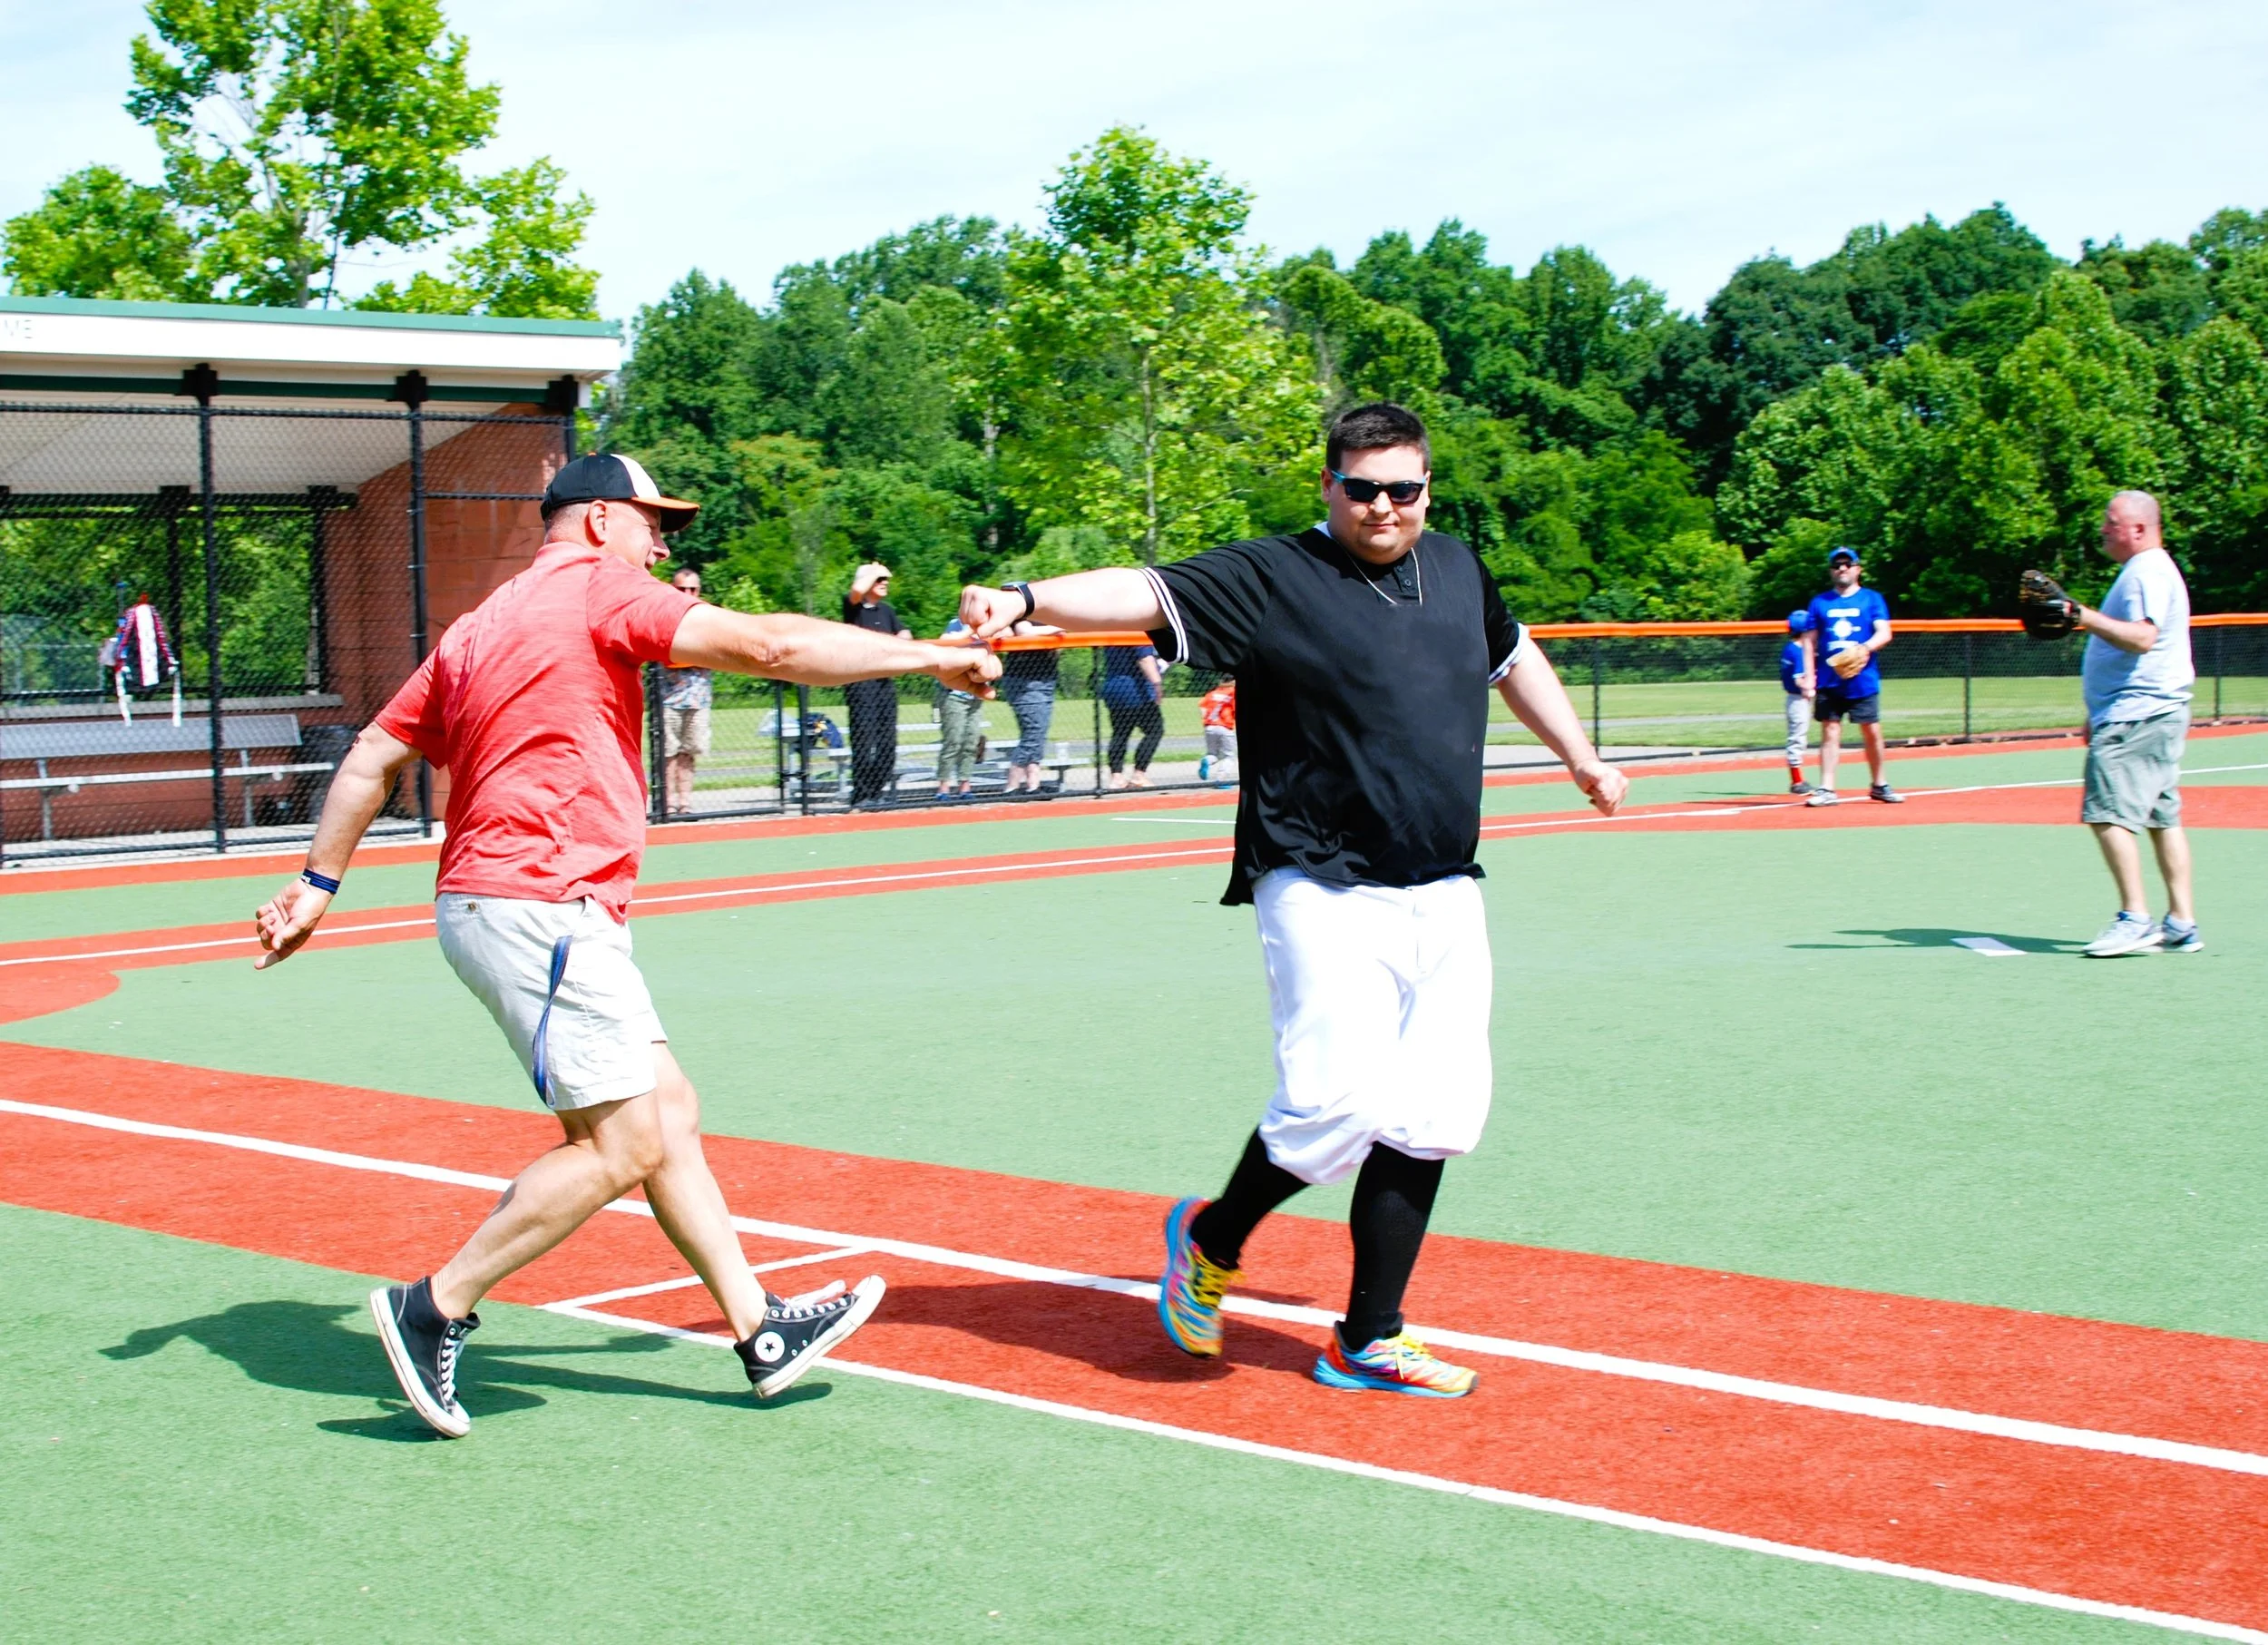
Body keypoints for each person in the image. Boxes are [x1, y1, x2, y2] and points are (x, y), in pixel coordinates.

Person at [251, 452, 998, 1437]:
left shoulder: (481, 623)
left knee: (667, 1110)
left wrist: (316, 883)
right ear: (601, 519)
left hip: (510, 905)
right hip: (540, 904)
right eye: (655, 524)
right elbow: (768, 647)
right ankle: (436, 1300)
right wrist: (932, 656)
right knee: (621, 1143)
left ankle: (758, 1329)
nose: (663, 543)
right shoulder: (605, 588)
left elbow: (373, 755)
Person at [960, 401, 1626, 1397]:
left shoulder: (1454, 568)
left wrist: (1579, 754)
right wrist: (1022, 597)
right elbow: (1141, 589)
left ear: (1427, 489)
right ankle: (1211, 1235)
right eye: (1361, 488)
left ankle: (1369, 1337)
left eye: (1403, 488)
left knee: (1433, 1115)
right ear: (1330, 486)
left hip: (1444, 883)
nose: (1382, 506)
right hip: (1318, 879)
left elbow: (1513, 654)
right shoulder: (1274, 576)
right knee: (1334, 1105)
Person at [2069, 491, 2200, 956]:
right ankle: (2182, 921)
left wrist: (2080, 616)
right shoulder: (2151, 569)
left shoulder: (2145, 571)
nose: (2103, 529)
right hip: (2151, 711)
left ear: (2138, 529)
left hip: (2137, 715)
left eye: (2111, 522)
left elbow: (2143, 637)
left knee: (2107, 814)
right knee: (2162, 818)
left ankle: (2134, 918)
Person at [1800, 547, 1901, 806]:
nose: (1842, 568)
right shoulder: (1820, 602)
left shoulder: (1871, 599)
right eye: (1836, 565)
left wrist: (1865, 648)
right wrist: (1809, 677)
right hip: (1829, 680)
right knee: (1830, 730)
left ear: (1858, 569)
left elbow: (1884, 633)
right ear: (1831, 571)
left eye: (1847, 564)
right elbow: (1810, 642)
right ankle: (1827, 788)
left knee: (1872, 731)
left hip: (1862, 679)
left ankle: (1880, 784)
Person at [842, 563, 911, 808]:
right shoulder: (854, 609)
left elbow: (905, 634)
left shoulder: (887, 611)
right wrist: (872, 571)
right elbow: (855, 591)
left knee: (887, 743)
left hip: (884, 683)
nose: (885, 583)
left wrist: (902, 637)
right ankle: (861, 795)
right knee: (864, 739)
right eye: (879, 579)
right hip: (860, 684)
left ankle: (876, 791)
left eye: (885, 579)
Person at [657, 565, 712, 815]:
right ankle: (667, 803)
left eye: (693, 589)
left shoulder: (708, 615)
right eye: (682, 588)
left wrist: (691, 654)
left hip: (698, 699)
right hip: (668, 699)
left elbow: (714, 653)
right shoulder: (664, 614)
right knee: (667, 753)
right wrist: (695, 654)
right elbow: (667, 655)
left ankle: (685, 803)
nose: (688, 593)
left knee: (690, 752)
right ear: (673, 588)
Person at [997, 622, 1061, 793]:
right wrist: (1055, 629)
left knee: (1039, 733)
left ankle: (1033, 784)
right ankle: (1012, 786)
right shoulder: (1020, 611)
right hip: (1025, 682)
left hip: (1046, 679)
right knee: (1033, 732)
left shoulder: (1049, 614)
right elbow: (1025, 633)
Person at [1100, 640, 1165, 788]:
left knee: (1120, 733)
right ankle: (1139, 774)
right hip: (1136, 691)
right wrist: (1157, 683)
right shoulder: (1137, 633)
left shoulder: (1113, 631)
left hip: (1114, 688)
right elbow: (1144, 659)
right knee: (1155, 730)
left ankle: (1116, 776)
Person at [934, 616, 985, 799]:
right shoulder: (955, 625)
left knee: (971, 741)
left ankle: (965, 784)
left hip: (975, 694)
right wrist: (969, 632)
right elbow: (944, 641)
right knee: (953, 741)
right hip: (953, 694)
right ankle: (944, 786)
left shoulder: (986, 626)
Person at [1779, 612, 1814, 796]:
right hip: (1798, 699)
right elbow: (1800, 679)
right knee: (1798, 738)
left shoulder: (1789, 647)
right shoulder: (1798, 650)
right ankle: (1797, 781)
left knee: (1799, 736)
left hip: (1794, 698)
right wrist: (1809, 690)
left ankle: (1798, 779)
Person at [1198, 676, 1237, 785]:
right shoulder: (1232, 693)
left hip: (1209, 726)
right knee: (1229, 756)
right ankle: (1220, 780)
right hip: (1225, 727)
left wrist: (1206, 721)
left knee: (1213, 753)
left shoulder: (1213, 693)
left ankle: (1207, 760)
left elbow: (1202, 707)